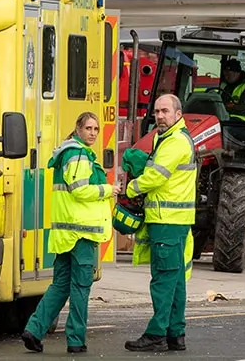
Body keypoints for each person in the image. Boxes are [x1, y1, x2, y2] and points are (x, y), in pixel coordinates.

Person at [21, 111, 120, 354]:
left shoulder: (69, 153)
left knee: (60, 286)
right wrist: (109, 189)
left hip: (66, 234)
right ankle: (76, 340)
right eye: (88, 128)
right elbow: (80, 190)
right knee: (80, 288)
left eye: (96, 129)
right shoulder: (78, 155)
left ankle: (34, 330)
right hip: (81, 235)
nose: (93, 133)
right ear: (78, 129)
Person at [124, 93, 198, 353]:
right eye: (156, 111)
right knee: (175, 280)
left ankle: (156, 334)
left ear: (178, 114)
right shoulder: (164, 138)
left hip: (168, 221)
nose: (159, 116)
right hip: (173, 221)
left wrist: (130, 188)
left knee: (163, 281)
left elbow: (155, 176)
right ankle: (176, 334)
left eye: (165, 111)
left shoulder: (175, 141)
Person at [220, 58, 245, 122]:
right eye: (224, 75)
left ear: (237, 73)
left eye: (228, 75)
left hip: (243, 124)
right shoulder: (226, 85)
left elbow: (243, 109)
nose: (226, 77)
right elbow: (220, 102)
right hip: (226, 119)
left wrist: (224, 107)